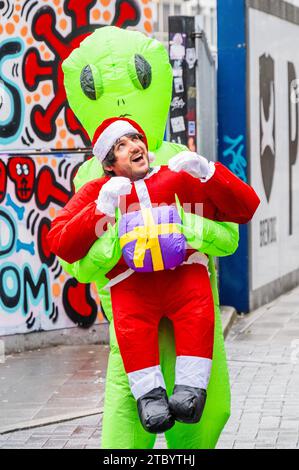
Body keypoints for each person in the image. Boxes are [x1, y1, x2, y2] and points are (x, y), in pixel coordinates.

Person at [47, 117, 260, 434]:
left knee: (197, 315)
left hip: (185, 282)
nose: (134, 146)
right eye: (121, 145)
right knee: (132, 328)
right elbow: (59, 242)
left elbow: (245, 207)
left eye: (135, 138)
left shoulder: (178, 177)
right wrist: (101, 208)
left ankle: (192, 387)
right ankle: (149, 395)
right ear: (108, 163)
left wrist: (208, 172)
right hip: (131, 290)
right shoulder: (98, 191)